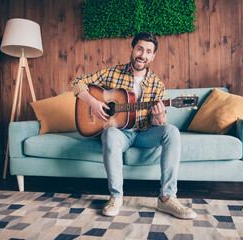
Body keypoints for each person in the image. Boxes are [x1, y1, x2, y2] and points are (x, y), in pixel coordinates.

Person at [72, 32, 197, 219]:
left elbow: (159, 124)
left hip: (144, 134)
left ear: (153, 56)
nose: (142, 55)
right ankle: (116, 197)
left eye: (148, 51)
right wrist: (93, 103)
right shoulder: (112, 73)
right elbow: (77, 83)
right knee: (111, 133)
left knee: (171, 131)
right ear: (132, 49)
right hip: (119, 134)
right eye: (139, 49)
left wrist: (160, 116)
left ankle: (167, 198)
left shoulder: (157, 84)